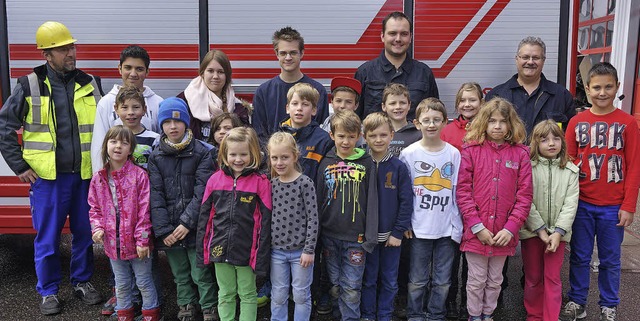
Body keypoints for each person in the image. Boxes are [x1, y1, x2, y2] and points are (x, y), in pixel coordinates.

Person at [0, 21, 103, 315]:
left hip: (85, 176)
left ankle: (82, 282)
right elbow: (5, 127)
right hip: (49, 178)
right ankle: (48, 291)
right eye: (63, 49)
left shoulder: (90, 82)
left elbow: (105, 127)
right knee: (48, 238)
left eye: (71, 47)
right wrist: (19, 166)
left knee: (85, 234)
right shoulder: (29, 84)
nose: (71, 53)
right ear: (47, 54)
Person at [560, 62, 640, 321]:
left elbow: (634, 166)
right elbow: (568, 162)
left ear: (617, 87)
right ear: (587, 88)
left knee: (610, 259)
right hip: (581, 203)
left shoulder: (628, 123)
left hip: (613, 206)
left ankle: (609, 304)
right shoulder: (576, 122)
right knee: (580, 256)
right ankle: (577, 300)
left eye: (608, 87)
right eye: (596, 87)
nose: (602, 92)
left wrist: (629, 205)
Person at [456, 97, 533, 321]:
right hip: (476, 232)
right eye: (492, 121)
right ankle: (474, 315)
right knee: (476, 280)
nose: (497, 126)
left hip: (503, 233)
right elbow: (463, 191)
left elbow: (524, 196)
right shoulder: (471, 151)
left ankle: (488, 314)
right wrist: (477, 226)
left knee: (495, 279)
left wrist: (510, 228)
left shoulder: (520, 154)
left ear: (511, 124)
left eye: (502, 121)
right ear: (483, 123)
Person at [148, 97, 218, 321]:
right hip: (169, 229)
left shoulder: (202, 153)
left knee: (201, 272)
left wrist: (187, 222)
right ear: (161, 126)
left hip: (195, 227)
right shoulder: (156, 156)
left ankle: (209, 306)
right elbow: (155, 196)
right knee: (180, 273)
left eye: (177, 121)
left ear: (186, 123)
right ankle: (186, 304)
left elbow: (203, 192)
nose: (172, 126)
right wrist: (164, 230)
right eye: (167, 122)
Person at [197, 127, 272, 321]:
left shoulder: (261, 182)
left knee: (247, 295)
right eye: (233, 154)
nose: (238, 159)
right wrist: (203, 251)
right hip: (219, 249)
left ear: (253, 153)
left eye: (243, 154)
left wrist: (260, 254)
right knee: (225, 293)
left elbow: (265, 223)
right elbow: (205, 219)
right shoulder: (214, 180)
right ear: (224, 154)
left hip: (247, 251)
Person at [88, 126, 160, 321]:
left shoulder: (139, 176)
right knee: (121, 283)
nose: (118, 146)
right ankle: (124, 313)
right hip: (113, 243)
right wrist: (98, 228)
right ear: (106, 146)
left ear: (131, 149)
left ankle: (151, 315)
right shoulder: (99, 178)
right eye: (113, 141)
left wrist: (143, 240)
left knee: (144, 281)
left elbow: (145, 211)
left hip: (138, 244)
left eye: (124, 143)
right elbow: (94, 208)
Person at [399, 98, 462, 321]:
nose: (432, 124)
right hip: (418, 229)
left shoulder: (454, 154)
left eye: (437, 120)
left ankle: (436, 314)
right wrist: (405, 222)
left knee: (443, 280)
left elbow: (457, 191)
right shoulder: (409, 153)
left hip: (446, 229)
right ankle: (415, 315)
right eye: (426, 120)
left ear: (445, 121)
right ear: (417, 123)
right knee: (417, 280)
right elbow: (403, 193)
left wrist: (457, 225)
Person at [315, 110, 378, 321]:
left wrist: (370, 234)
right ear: (332, 135)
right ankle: (337, 314)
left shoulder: (367, 163)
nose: (346, 141)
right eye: (341, 136)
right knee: (335, 284)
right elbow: (318, 196)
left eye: (351, 136)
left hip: (356, 238)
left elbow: (372, 200)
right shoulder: (325, 162)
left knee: (351, 287)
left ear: (359, 136)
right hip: (330, 236)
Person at [521, 120, 578, 321]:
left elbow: (571, 205)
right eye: (544, 139)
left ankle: (551, 317)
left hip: (558, 236)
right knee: (534, 278)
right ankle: (534, 316)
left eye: (556, 139)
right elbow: (525, 201)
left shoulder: (571, 171)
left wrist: (558, 232)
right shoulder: (527, 167)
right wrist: (540, 230)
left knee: (553, 278)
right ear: (535, 143)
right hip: (532, 234)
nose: (551, 143)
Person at [360, 113, 413, 321]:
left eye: (383, 135)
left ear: (392, 135)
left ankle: (385, 315)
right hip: (367, 236)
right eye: (373, 136)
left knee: (390, 279)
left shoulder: (399, 167)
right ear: (365, 137)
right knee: (369, 278)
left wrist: (398, 231)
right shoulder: (361, 164)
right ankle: (367, 314)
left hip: (391, 236)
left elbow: (406, 201)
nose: (378, 140)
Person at [440, 82, 484, 320]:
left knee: (474, 263)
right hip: (450, 205)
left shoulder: (489, 129)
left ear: (481, 102)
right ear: (457, 104)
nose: (467, 104)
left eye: (472, 100)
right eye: (463, 100)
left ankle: (470, 305)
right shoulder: (447, 132)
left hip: (479, 205)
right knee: (450, 258)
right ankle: (449, 303)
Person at [266, 131, 319, 321]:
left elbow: (313, 218)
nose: (279, 162)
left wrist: (309, 249)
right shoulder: (271, 184)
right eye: (275, 158)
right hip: (277, 252)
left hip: (300, 253)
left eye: (284, 157)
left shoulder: (305, 183)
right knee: (278, 295)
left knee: (301, 295)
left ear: (295, 156)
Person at [252, 26, 329, 146]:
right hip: (274, 160)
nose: (288, 58)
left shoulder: (317, 90)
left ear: (302, 53)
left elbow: (322, 130)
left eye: (293, 52)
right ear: (276, 54)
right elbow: (259, 134)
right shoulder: (263, 92)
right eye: (283, 53)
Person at [92, 45, 163, 174]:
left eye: (139, 69)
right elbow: (99, 145)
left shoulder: (158, 103)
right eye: (128, 68)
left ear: (147, 71)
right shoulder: (106, 102)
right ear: (119, 69)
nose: (133, 74)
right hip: (114, 180)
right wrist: (101, 179)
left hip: (147, 182)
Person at [355, 11, 439, 119]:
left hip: (416, 136)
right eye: (392, 33)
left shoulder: (424, 73)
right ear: (382, 36)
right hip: (376, 136)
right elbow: (355, 118)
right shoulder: (365, 73)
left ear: (410, 37)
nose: (398, 39)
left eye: (404, 34)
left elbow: (434, 114)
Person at [485, 36, 575, 136]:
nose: (530, 62)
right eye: (525, 57)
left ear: (543, 60)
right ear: (516, 59)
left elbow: (569, 137)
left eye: (536, 58)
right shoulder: (496, 95)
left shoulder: (561, 96)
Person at [178, 49, 250, 141]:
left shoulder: (239, 108)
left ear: (227, 76)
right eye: (210, 71)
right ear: (202, 73)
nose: (215, 76)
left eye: (220, 72)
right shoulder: (184, 102)